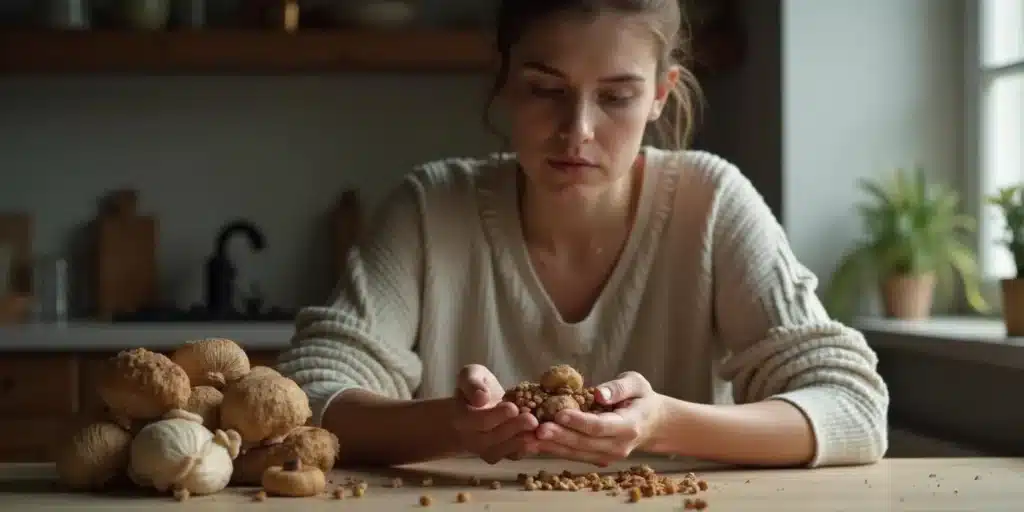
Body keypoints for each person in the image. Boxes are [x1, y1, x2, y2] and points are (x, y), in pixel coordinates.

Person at [277, 0, 889, 469]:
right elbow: (307, 396)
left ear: (660, 95)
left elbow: (854, 408)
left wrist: (663, 424)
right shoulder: (430, 209)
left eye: (617, 97)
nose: (578, 131)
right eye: (546, 90)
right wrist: (453, 425)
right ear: (505, 80)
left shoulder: (711, 203)